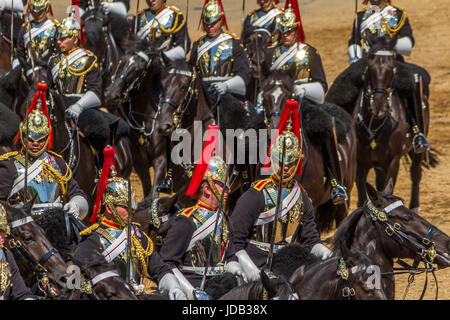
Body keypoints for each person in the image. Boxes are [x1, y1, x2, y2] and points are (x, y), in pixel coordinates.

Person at [229, 99, 333, 282]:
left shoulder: (302, 196)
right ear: (272, 160)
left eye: (290, 163)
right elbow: (234, 241)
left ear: (297, 162)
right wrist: (250, 269)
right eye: (280, 161)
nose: (285, 167)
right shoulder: (254, 195)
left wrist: (325, 252)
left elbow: (311, 241)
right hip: (256, 267)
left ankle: (335, 179)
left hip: (288, 269)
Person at [264, 0, 348, 204]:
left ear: (296, 30)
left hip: (305, 105)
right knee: (250, 133)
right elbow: (263, 82)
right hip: (275, 106)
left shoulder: (308, 53)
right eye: (283, 32)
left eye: (289, 31)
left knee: (326, 127)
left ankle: (335, 182)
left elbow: (321, 86)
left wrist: (301, 90)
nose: (286, 35)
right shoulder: (270, 53)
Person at [74, 149, 187, 300]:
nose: (132, 210)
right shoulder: (92, 240)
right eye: (125, 206)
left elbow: (160, 270)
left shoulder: (138, 236)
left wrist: (173, 287)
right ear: (109, 207)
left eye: (132, 206)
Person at [158, 124, 245, 300]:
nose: (228, 192)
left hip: (223, 290)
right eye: (223, 186)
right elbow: (167, 263)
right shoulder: (185, 221)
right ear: (207, 189)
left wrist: (236, 269)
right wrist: (190, 291)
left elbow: (229, 256)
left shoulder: (223, 218)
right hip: (195, 290)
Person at [346, 0, 429, 153]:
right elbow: (355, 41)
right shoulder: (361, 16)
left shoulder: (397, 14)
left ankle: (417, 132)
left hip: (393, 62)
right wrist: (355, 53)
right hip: (368, 63)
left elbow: (408, 40)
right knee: (343, 86)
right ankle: (343, 133)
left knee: (414, 81)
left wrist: (386, 47)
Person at [0, 83, 88, 219]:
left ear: (47, 138)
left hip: (55, 225)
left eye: (40, 139)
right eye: (31, 139)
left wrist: (76, 204)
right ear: (23, 136)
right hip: (25, 229)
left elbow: (76, 192)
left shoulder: (58, 163)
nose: (36, 143)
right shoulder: (9, 164)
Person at [47, 3, 102, 124]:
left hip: (82, 109)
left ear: (75, 39)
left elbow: (96, 93)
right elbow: (49, 89)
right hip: (58, 109)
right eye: (58, 38)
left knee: (101, 131)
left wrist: (79, 106)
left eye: (63, 38)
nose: (58, 41)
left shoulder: (89, 59)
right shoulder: (53, 60)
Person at [189, 0, 252, 101]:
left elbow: (244, 72)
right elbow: (191, 70)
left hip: (229, 95)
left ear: (220, 20)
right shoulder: (198, 44)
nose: (209, 27)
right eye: (207, 23)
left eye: (213, 23)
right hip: (203, 96)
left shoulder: (233, 43)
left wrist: (226, 85)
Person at [16, 0, 59, 82]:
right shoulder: (25, 28)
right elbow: (20, 52)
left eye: (40, 11)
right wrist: (26, 67)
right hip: (30, 71)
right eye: (34, 11)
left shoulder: (55, 27)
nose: (37, 13)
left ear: (46, 8)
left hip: (49, 71)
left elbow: (58, 51)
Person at [0, 203, 36, 300]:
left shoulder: (6, 255)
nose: (5, 235)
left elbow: (21, 293)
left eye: (4, 231)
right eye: (0, 231)